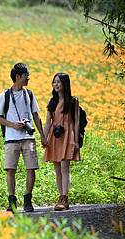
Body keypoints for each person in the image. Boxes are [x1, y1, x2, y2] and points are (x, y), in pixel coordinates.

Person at [0, 63, 46, 213]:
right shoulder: (4, 95)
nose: (28, 78)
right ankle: (12, 201)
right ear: (18, 77)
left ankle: (28, 199)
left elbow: (36, 115)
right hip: (11, 138)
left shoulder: (29, 94)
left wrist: (42, 135)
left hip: (28, 137)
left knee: (31, 169)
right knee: (10, 170)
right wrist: (13, 125)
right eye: (26, 76)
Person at [43, 72, 81, 211]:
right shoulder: (52, 102)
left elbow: (76, 122)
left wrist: (76, 140)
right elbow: (48, 122)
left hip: (68, 137)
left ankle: (64, 198)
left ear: (65, 84)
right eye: (54, 82)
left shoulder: (72, 101)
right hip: (55, 137)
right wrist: (44, 137)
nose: (56, 85)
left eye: (59, 82)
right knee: (57, 170)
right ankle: (61, 196)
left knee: (65, 168)